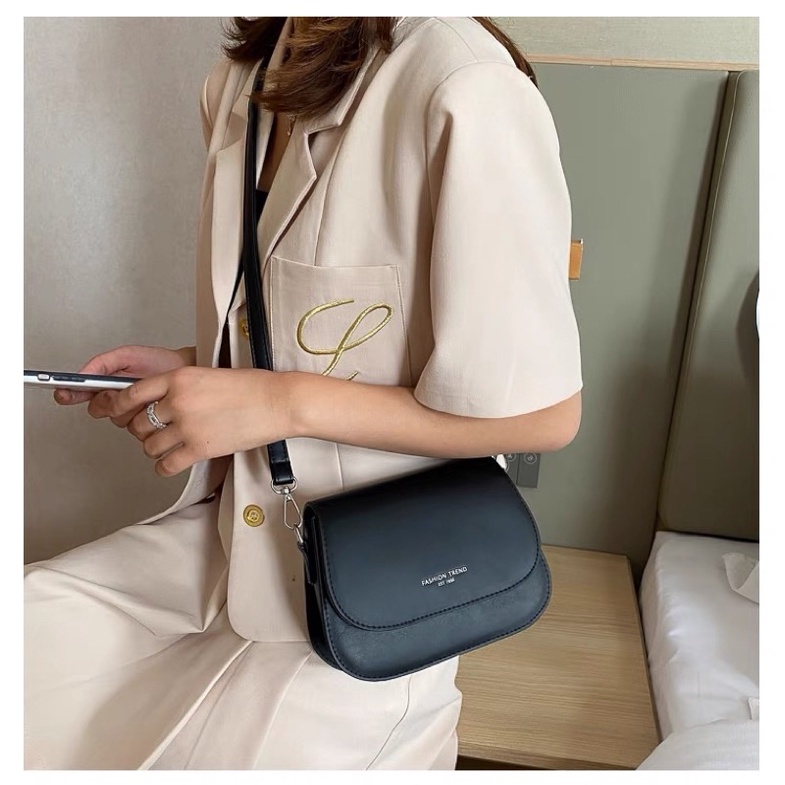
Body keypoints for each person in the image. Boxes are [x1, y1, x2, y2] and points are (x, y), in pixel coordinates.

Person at [24, 16, 583, 770]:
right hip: (225, 542)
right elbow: (314, 332)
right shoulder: (244, 81)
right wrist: (197, 371)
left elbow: (542, 414)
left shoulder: (466, 87)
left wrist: (275, 403)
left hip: (368, 586)